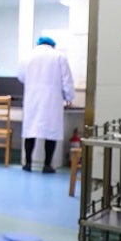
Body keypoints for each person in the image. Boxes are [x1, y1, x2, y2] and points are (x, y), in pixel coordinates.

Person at [17, 36, 75, 173]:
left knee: (30, 131)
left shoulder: (27, 56)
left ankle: (28, 164)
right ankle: (47, 165)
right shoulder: (60, 56)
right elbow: (67, 80)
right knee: (51, 133)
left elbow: (20, 76)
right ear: (52, 45)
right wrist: (69, 96)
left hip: (33, 98)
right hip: (52, 100)